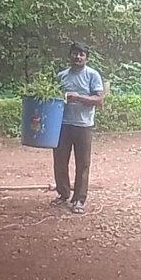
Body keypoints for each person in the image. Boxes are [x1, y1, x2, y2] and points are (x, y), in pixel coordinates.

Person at [52, 41, 106, 214]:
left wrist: (78, 97)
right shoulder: (61, 76)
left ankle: (79, 200)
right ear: (70, 56)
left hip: (84, 125)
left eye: (82, 54)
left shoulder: (92, 75)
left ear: (87, 58)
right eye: (75, 53)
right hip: (62, 125)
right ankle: (63, 194)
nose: (78, 57)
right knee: (60, 161)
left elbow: (99, 100)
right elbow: (52, 97)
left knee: (83, 164)